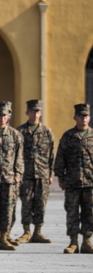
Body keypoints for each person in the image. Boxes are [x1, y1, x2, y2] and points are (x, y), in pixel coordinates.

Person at [53, 103, 93, 254]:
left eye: (86, 116)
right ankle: (73, 242)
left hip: (90, 182)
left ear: (89, 117)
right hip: (72, 181)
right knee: (72, 212)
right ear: (74, 117)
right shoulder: (68, 136)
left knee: (90, 212)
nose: (84, 118)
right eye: (81, 116)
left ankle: (87, 241)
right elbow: (60, 158)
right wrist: (60, 178)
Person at [16, 99, 54, 244]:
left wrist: (50, 174)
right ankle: (26, 231)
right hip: (25, 174)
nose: (35, 114)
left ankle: (38, 231)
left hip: (42, 174)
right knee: (26, 202)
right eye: (32, 111)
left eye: (37, 111)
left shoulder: (46, 132)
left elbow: (51, 155)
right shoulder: (20, 132)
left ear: (41, 113)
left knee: (41, 203)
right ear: (27, 112)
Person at [0, 101, 24, 251]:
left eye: (5, 115)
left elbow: (19, 157)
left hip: (9, 178)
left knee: (8, 209)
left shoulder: (15, 135)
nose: (2, 118)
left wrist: (18, 173)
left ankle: (4, 236)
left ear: (8, 116)